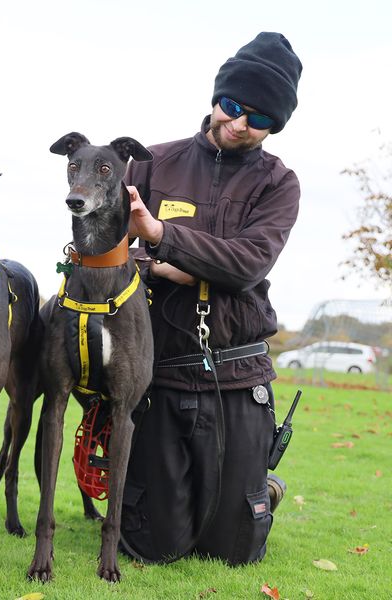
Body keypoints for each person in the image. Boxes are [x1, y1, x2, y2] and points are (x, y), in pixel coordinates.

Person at [120, 33, 302, 565]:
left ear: (275, 125)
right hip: (160, 372)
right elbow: (106, 261)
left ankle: (258, 489)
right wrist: (158, 264)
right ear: (216, 98)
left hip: (237, 375)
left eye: (260, 117)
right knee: (154, 545)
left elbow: (249, 264)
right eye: (232, 106)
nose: (240, 123)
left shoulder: (279, 183)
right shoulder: (151, 163)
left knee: (233, 551)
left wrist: (162, 237)